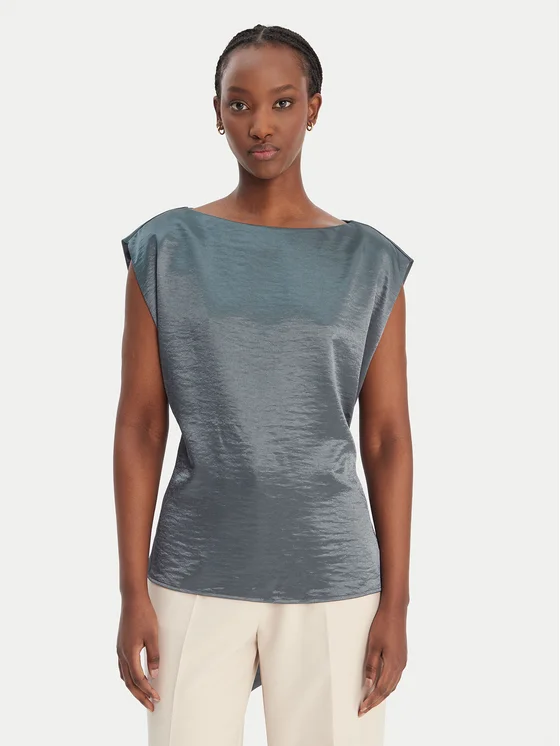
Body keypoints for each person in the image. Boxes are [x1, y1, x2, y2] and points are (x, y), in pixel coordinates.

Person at [114, 23, 414, 746]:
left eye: (282, 102)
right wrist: (131, 593)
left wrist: (397, 604)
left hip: (334, 575)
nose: (261, 125)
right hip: (193, 569)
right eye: (240, 104)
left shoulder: (369, 263)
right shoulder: (164, 249)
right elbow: (141, 426)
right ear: (216, 112)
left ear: (314, 108)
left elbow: (386, 438)